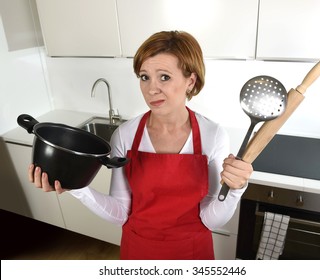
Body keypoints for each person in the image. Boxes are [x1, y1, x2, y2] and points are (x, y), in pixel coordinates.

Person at [28, 31, 253, 260]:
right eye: (144, 77)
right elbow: (120, 212)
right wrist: (77, 188)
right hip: (138, 251)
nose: (151, 89)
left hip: (192, 252)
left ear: (190, 81)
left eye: (164, 77)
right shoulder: (125, 135)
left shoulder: (212, 135)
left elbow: (211, 219)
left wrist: (235, 191)